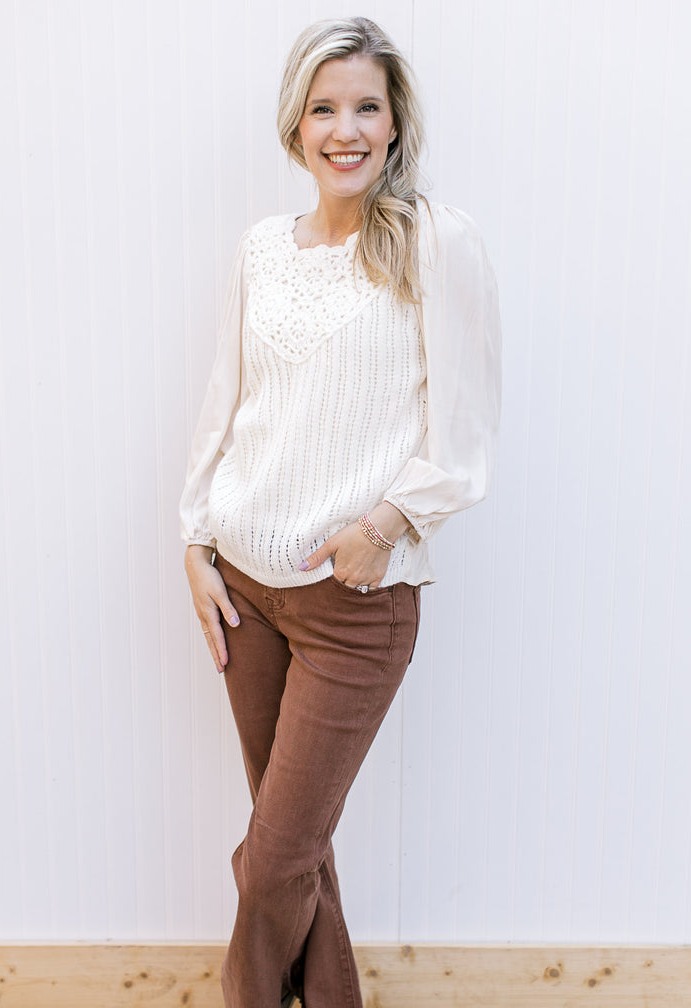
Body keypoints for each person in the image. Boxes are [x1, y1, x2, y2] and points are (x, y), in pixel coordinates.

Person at [180, 16, 501, 1008]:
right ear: (297, 125)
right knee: (301, 857)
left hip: (354, 606)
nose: (345, 129)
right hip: (243, 591)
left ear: (396, 122)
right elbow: (224, 401)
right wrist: (194, 535)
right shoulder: (260, 251)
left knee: (273, 862)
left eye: (367, 106)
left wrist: (384, 528)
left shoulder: (436, 244)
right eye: (325, 108)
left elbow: (468, 433)